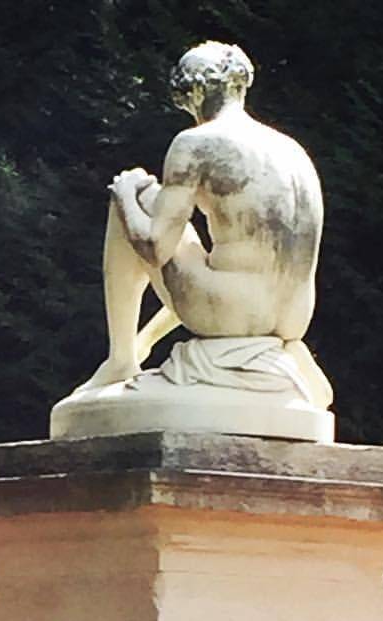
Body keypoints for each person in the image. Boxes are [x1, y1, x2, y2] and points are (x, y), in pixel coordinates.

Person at [77, 40, 328, 405]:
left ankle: (120, 359)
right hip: (291, 316)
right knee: (198, 247)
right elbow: (220, 271)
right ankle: (135, 348)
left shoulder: (196, 143)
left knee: (143, 197)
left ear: (193, 92)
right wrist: (149, 338)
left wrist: (125, 193)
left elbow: (153, 246)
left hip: (230, 312)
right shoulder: (292, 150)